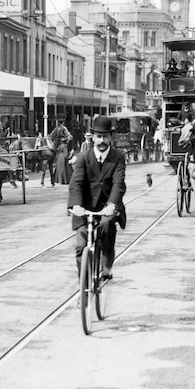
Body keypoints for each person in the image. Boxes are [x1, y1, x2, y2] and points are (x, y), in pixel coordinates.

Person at [67, 115, 127, 280]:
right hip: (84, 208)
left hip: (106, 207)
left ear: (110, 138)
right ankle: (84, 286)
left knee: (107, 225)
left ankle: (106, 265)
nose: (101, 140)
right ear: (92, 137)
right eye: (98, 136)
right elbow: (76, 183)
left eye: (105, 136)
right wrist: (76, 205)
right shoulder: (83, 158)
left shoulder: (118, 157)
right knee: (80, 246)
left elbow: (118, 184)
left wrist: (112, 205)